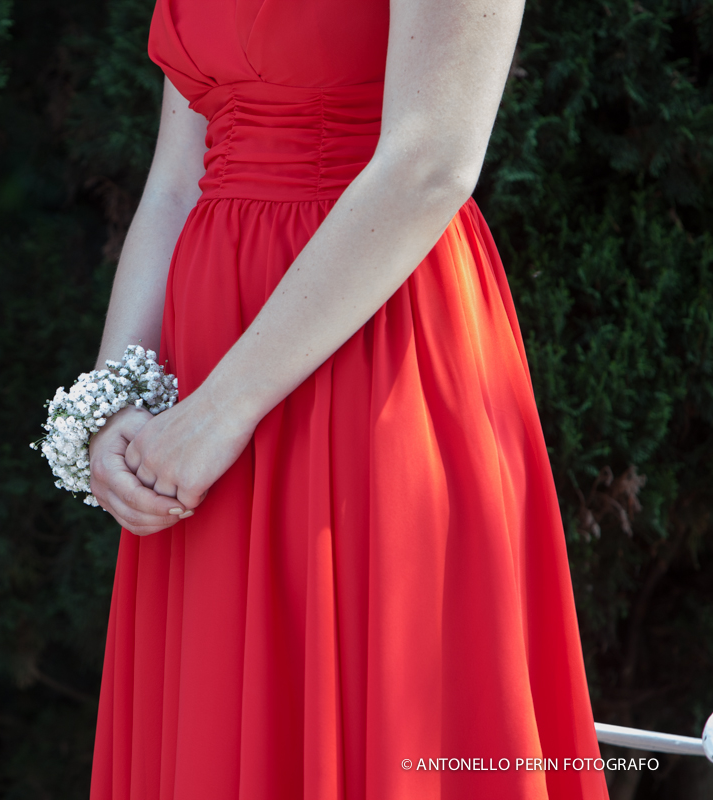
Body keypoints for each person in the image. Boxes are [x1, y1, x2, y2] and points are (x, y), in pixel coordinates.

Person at [82, 0, 610, 797]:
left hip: (369, 349)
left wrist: (222, 412)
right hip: (202, 383)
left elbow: (431, 162)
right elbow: (174, 180)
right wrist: (114, 398)